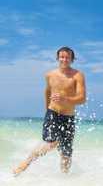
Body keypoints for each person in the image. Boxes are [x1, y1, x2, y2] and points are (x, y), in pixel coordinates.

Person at [12, 47, 86, 177]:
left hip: (68, 117)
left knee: (66, 153)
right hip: (53, 113)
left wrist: (66, 98)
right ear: (57, 58)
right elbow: (47, 91)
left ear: (72, 59)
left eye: (67, 57)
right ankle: (24, 165)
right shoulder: (50, 75)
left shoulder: (77, 76)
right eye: (62, 57)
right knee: (51, 142)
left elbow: (82, 99)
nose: (64, 60)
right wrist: (47, 111)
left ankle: (64, 180)